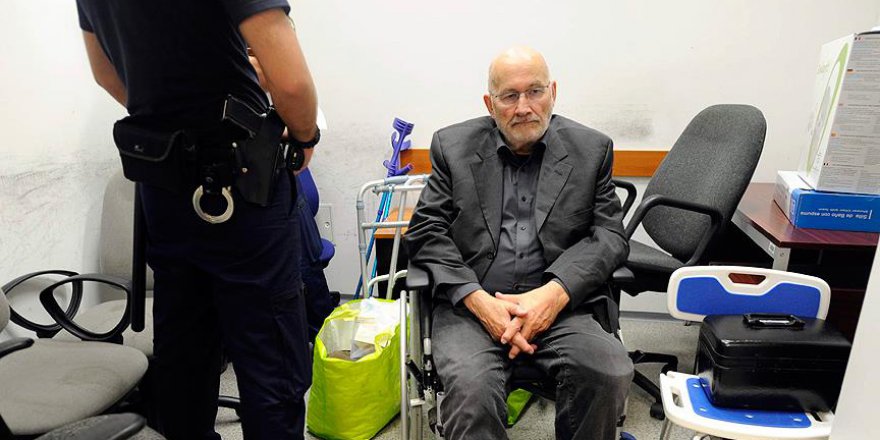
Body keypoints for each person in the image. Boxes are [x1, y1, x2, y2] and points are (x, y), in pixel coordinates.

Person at [75, 1, 318, 439]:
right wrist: (304, 137)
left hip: (164, 185)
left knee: (183, 356)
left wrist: (172, 121)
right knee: (271, 363)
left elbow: (105, 73)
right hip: (242, 185)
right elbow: (293, 84)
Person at [405, 46, 634, 440]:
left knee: (607, 371)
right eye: (509, 96)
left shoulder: (591, 150)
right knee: (471, 394)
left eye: (535, 92)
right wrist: (478, 300)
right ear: (490, 104)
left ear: (553, 92)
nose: (524, 107)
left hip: (560, 308)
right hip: (473, 307)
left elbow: (610, 235)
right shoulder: (452, 147)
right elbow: (426, 230)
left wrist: (555, 294)